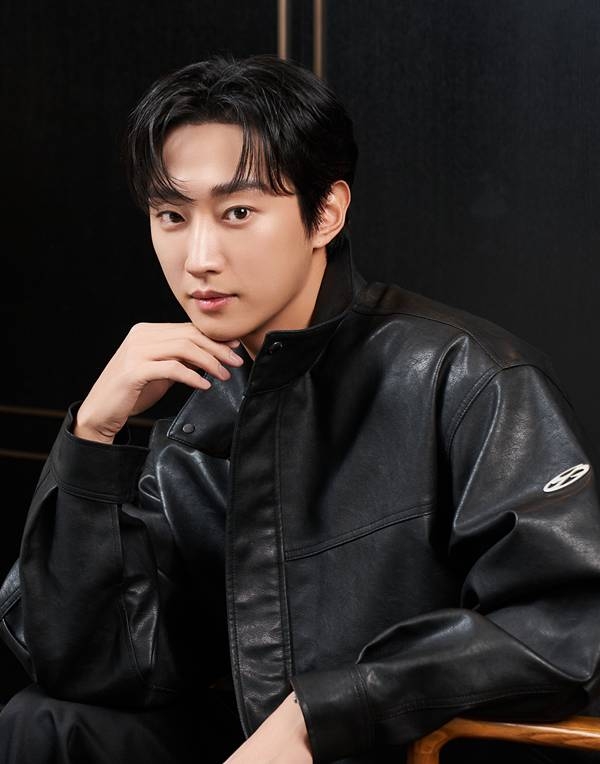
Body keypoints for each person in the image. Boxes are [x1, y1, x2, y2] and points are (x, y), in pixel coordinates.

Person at [1, 52, 600, 764]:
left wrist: (323, 713)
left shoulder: (467, 374)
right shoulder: (199, 401)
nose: (198, 257)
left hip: (388, 747)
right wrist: (95, 435)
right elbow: (86, 665)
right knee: (43, 722)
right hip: (235, 738)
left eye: (238, 212)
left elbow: (564, 624)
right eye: (171, 215)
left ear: (326, 214)